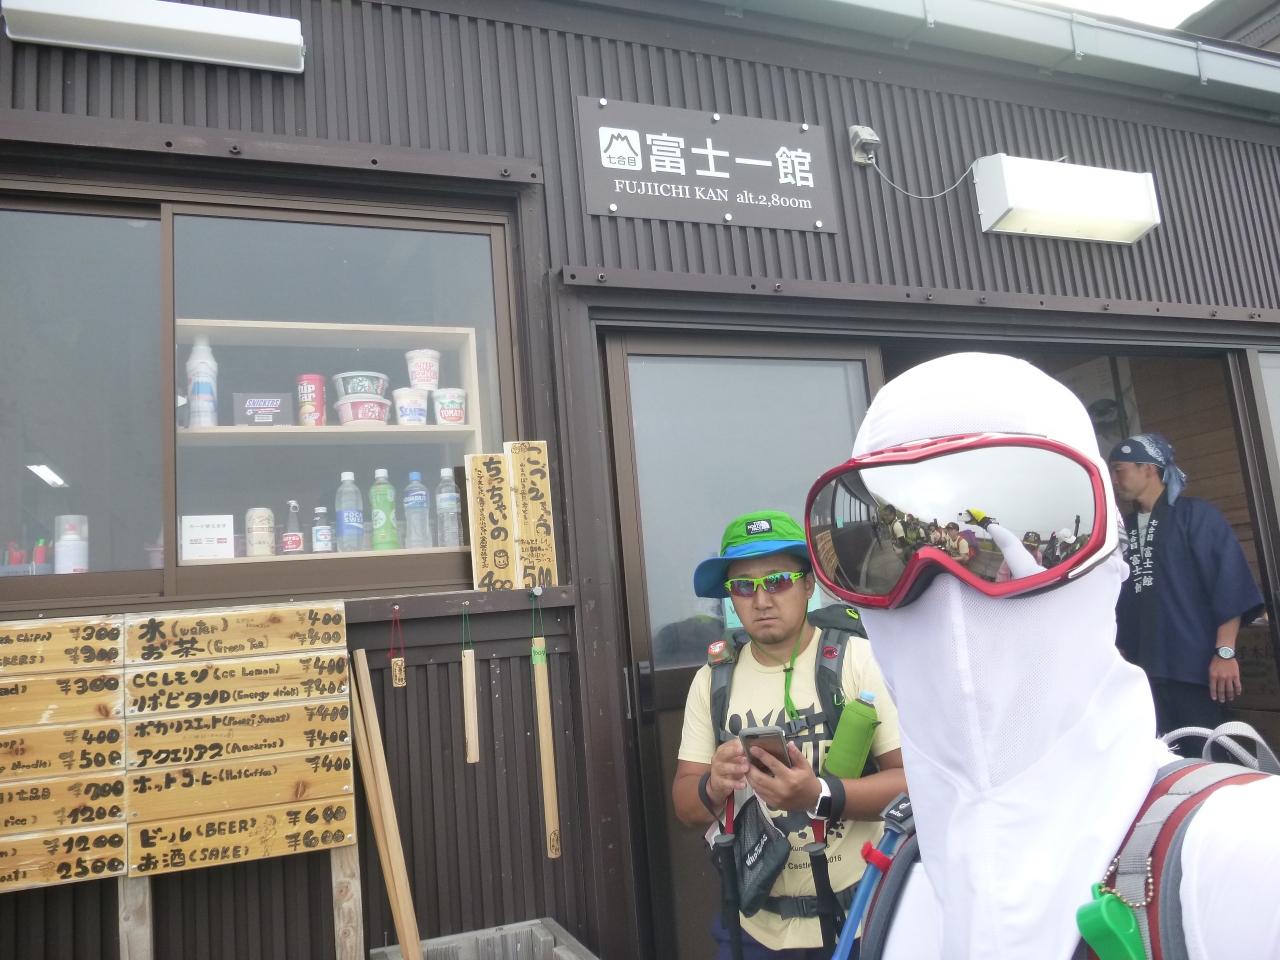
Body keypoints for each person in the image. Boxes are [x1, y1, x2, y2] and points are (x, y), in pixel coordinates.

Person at [802, 353, 1280, 959]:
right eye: (894, 544)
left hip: (1188, 673)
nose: (949, 591)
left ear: (1105, 556)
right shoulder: (899, 887)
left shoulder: (1243, 856)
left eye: (1022, 509)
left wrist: (1224, 649)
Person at [672, 509, 906, 959]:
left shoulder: (858, 660)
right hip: (753, 928)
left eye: (778, 581)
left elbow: (910, 784)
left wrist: (817, 795)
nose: (761, 600)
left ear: (808, 585)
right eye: (744, 587)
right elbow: (685, 805)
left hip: (860, 919)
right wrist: (713, 785)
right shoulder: (712, 680)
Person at [1109, 433, 1265, 735]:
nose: (1114, 479)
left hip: (1193, 668)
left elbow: (1228, 582)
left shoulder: (1196, 515)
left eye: (1119, 469)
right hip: (1140, 672)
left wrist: (1225, 652)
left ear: (1148, 468)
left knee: (1203, 750)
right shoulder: (1121, 530)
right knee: (1158, 754)